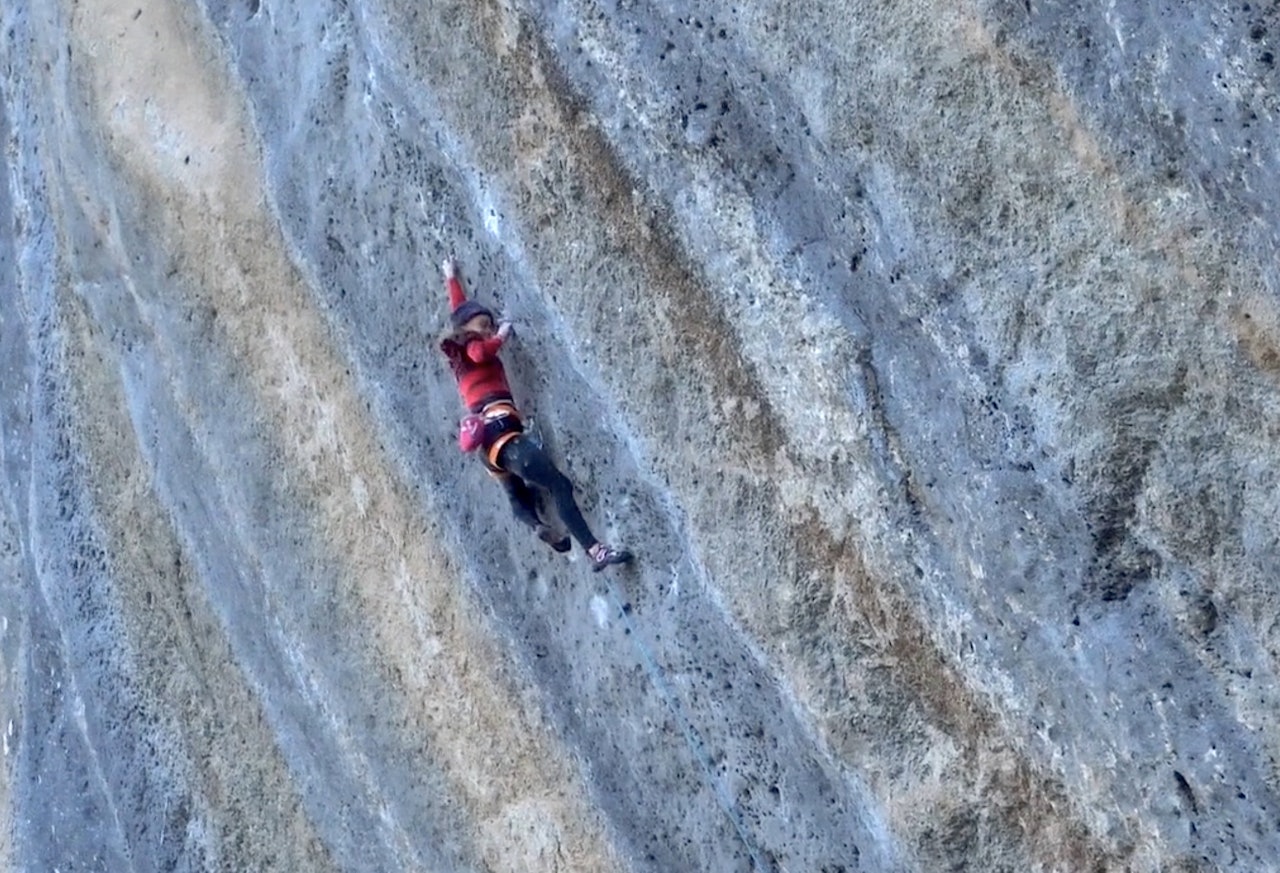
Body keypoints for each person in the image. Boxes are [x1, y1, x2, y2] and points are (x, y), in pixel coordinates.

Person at [438, 257, 633, 572]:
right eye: (482, 325)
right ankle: (596, 552)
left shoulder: (458, 353)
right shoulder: (474, 347)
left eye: (489, 325)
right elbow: (480, 349)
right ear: (468, 330)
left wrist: (451, 277)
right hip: (502, 431)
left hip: (488, 448)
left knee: (516, 496)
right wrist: (502, 333)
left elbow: (460, 311)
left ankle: (535, 524)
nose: (487, 330)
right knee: (559, 486)